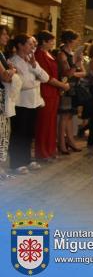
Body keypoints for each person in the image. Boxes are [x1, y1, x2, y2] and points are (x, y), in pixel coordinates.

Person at [9, 34, 50, 174]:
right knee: (18, 133)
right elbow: (21, 84)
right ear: (20, 45)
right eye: (29, 44)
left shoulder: (32, 60)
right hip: (21, 103)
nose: (32, 47)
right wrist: (36, 82)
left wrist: (34, 66)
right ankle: (16, 163)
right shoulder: (12, 61)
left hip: (34, 103)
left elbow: (46, 78)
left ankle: (26, 159)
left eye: (33, 44)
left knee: (29, 133)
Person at [34, 31, 70, 161]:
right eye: (51, 41)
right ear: (44, 41)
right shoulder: (39, 54)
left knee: (51, 122)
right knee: (44, 122)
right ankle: (42, 152)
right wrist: (61, 85)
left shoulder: (48, 54)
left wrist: (60, 86)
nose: (53, 43)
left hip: (53, 91)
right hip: (45, 91)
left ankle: (50, 150)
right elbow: (45, 77)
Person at [57, 29, 85, 154]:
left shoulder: (71, 53)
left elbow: (83, 72)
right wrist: (76, 65)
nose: (76, 42)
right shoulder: (62, 54)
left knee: (69, 116)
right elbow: (67, 73)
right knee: (64, 116)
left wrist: (77, 67)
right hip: (66, 87)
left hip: (73, 87)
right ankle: (62, 143)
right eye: (74, 40)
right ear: (69, 40)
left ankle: (70, 141)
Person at [0, 25, 17, 180]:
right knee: (2, 132)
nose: (6, 37)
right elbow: (5, 76)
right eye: (4, 34)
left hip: (3, 95)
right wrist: (12, 70)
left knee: (4, 132)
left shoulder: (2, 54)